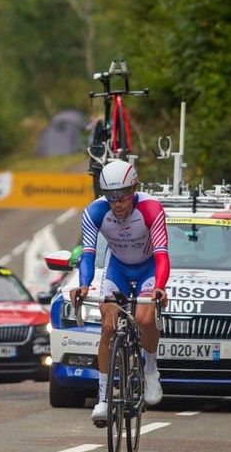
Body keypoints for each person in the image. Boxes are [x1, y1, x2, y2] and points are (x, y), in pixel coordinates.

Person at [70, 159, 170, 423]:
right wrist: (83, 283)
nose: (117, 203)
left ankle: (150, 371)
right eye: (110, 197)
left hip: (148, 267)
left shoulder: (151, 208)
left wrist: (159, 286)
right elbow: (89, 254)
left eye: (123, 196)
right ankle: (104, 399)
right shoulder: (94, 212)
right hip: (118, 268)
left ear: (135, 187)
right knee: (108, 325)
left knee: (145, 319)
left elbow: (161, 254)